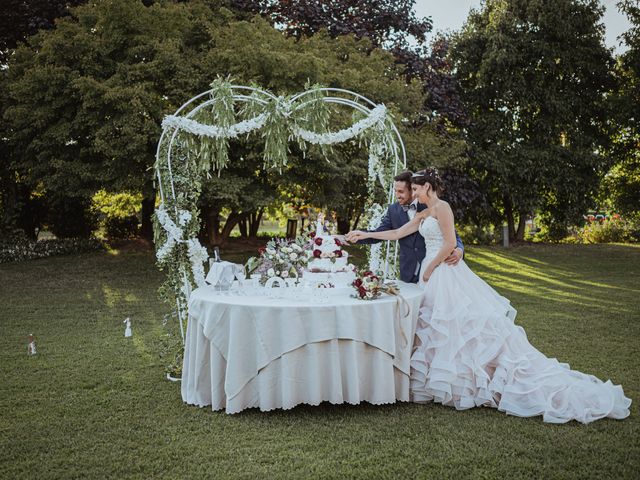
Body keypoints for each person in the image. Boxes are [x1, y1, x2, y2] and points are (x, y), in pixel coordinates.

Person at [346, 167, 631, 424]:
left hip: (445, 274)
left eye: (417, 188)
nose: (414, 193)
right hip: (429, 277)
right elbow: (397, 232)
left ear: (428, 188)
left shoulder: (442, 208)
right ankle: (450, 380)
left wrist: (431, 268)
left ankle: (473, 379)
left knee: (457, 324)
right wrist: (363, 233)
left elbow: (448, 243)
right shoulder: (422, 212)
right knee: (437, 327)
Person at [347, 171, 464, 283]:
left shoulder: (434, 206)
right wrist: (362, 235)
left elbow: (451, 236)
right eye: (395, 191)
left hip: (439, 265)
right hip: (409, 271)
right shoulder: (395, 210)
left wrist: (459, 250)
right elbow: (393, 233)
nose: (397, 195)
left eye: (401, 191)